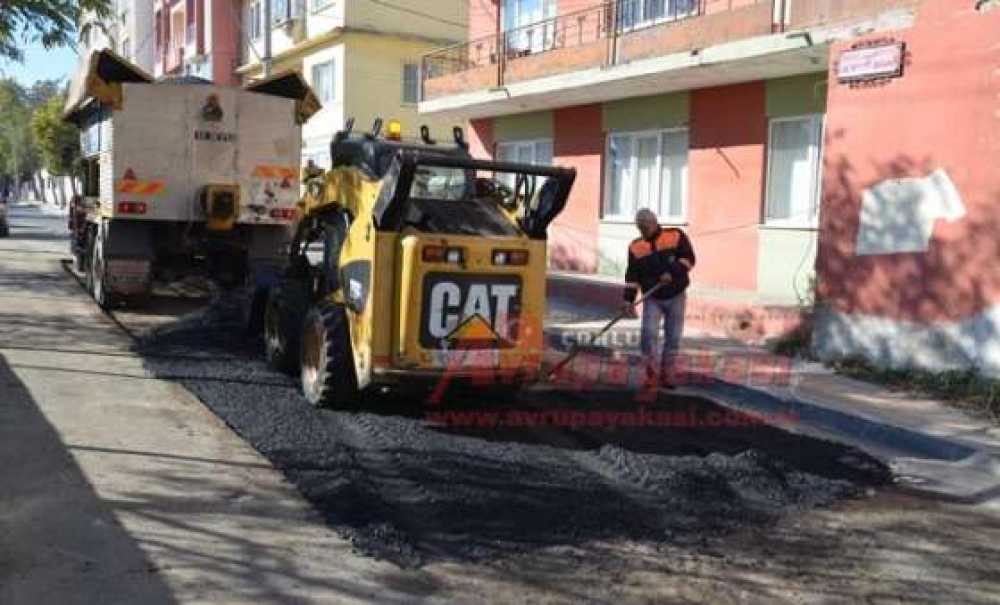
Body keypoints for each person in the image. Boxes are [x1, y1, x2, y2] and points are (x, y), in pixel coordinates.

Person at [621, 208, 696, 390]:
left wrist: (672, 272)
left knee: (673, 337)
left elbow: (689, 259)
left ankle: (668, 374)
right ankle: (652, 375)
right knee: (648, 335)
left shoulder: (675, 236)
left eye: (645, 227)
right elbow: (632, 276)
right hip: (652, 298)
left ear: (654, 223)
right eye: (640, 228)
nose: (643, 231)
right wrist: (628, 300)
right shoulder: (635, 247)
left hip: (676, 295)